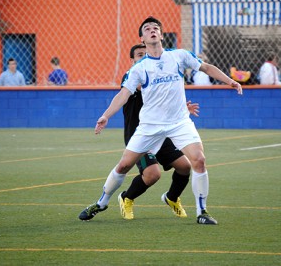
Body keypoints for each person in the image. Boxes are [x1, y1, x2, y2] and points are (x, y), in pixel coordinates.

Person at [78, 16, 242, 225]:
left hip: (179, 123)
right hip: (150, 127)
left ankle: (202, 212)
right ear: (142, 38)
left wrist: (230, 81)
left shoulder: (179, 56)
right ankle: (101, 203)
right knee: (123, 166)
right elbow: (123, 95)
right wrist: (105, 115)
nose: (152, 30)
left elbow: (207, 68)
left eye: (156, 28)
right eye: (147, 29)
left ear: (162, 35)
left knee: (198, 160)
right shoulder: (139, 69)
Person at [117, 43, 198, 220]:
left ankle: (172, 198)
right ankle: (126, 198)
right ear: (132, 60)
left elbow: (162, 98)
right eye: (139, 55)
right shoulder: (132, 76)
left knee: (185, 167)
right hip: (141, 135)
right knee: (153, 175)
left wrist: (181, 107)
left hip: (162, 131)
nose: (143, 57)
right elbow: (148, 88)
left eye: (145, 54)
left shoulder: (155, 72)